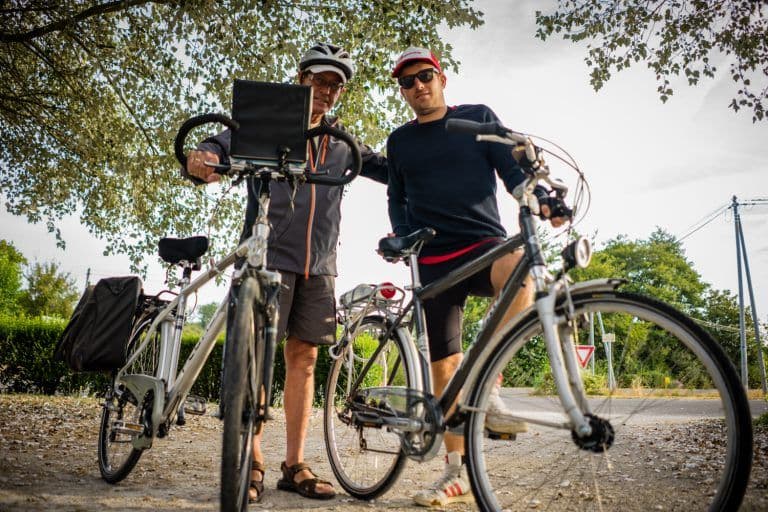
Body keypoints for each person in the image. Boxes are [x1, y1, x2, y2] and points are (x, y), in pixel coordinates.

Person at [184, 43, 387, 502]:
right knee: (256, 357)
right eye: (319, 80)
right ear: (301, 80)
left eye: (335, 85)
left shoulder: (342, 142)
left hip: (319, 265)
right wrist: (203, 156)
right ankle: (252, 459)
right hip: (267, 258)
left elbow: (387, 169)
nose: (327, 90)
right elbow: (222, 143)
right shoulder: (270, 123)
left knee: (305, 359)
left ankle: (294, 465)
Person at [386, 46, 565, 507]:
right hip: (432, 258)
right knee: (444, 368)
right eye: (407, 81)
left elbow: (513, 172)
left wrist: (541, 198)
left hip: (484, 244)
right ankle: (456, 473)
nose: (418, 86)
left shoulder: (477, 118)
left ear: (441, 78)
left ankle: (489, 378)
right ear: (402, 91)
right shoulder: (399, 141)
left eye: (425, 76)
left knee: (521, 270)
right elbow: (396, 197)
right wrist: (401, 236)